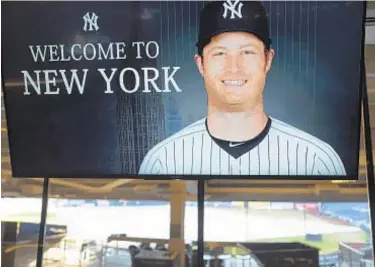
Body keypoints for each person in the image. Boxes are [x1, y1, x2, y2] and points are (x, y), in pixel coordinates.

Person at [138, 0, 346, 177]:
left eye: (247, 52)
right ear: (200, 64)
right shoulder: (162, 160)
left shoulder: (318, 160)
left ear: (268, 60)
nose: (234, 67)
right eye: (220, 53)